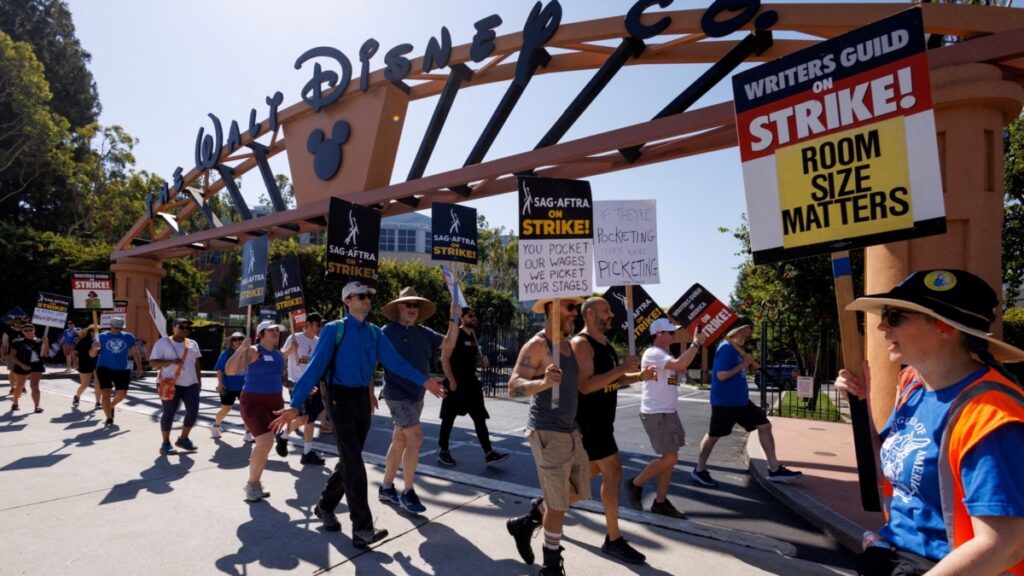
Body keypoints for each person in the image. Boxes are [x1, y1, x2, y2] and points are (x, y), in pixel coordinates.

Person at [835, 269, 1024, 576]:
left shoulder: (991, 416)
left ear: (945, 327)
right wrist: (860, 402)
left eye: (895, 316)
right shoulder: (913, 385)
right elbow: (885, 467)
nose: (882, 326)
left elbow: (1004, 544)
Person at [269, 281, 446, 549]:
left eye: (368, 296)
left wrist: (424, 381)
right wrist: (295, 404)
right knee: (354, 462)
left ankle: (325, 506)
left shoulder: (375, 332)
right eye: (360, 296)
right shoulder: (334, 329)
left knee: (349, 459)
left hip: (362, 399)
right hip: (338, 398)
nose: (366, 300)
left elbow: (396, 363)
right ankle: (362, 528)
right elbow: (315, 367)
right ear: (347, 301)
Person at [569, 297, 656, 565]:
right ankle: (614, 539)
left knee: (583, 483)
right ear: (590, 313)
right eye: (606, 310)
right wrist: (621, 369)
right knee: (614, 472)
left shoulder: (605, 344)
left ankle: (538, 512)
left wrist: (638, 376)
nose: (611, 314)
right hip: (590, 423)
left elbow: (612, 381)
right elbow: (585, 386)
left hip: (604, 421)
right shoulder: (581, 344)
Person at [506, 297, 589, 575]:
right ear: (552, 308)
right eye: (570, 307)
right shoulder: (538, 345)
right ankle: (551, 565)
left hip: (570, 430)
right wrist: (543, 382)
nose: (575, 313)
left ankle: (528, 520)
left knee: (576, 491)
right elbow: (513, 387)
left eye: (576, 307)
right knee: (558, 503)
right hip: (547, 431)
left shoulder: (568, 345)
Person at [692, 316, 802, 487]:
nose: (751, 331)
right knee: (713, 436)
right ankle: (699, 470)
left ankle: (774, 469)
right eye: (750, 327)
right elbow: (721, 375)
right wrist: (745, 364)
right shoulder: (726, 348)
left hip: (741, 401)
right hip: (725, 402)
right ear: (741, 329)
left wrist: (744, 362)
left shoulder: (737, 349)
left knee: (765, 426)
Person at [378, 287, 457, 514]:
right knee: (416, 437)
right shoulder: (387, 332)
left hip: (417, 395)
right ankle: (408, 492)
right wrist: (367, 391)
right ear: (398, 307)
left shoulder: (424, 332)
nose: (412, 308)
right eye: (408, 304)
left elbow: (449, 343)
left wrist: (454, 318)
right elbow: (378, 361)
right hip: (396, 395)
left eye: (415, 305)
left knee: (400, 441)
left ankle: (386, 487)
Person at [626, 317, 705, 520]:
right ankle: (635, 483)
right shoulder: (653, 352)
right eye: (670, 332)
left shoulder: (665, 355)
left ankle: (660, 502)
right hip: (657, 413)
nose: (674, 334)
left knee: (669, 459)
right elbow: (680, 364)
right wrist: (696, 343)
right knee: (670, 458)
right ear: (659, 334)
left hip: (667, 412)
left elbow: (676, 374)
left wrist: (679, 372)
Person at [437, 305, 508, 468]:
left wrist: (482, 361)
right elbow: (444, 359)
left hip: (471, 384)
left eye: (474, 315)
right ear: (461, 318)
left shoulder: (474, 337)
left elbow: (467, 360)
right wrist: (451, 381)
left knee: (480, 418)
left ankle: (489, 453)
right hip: (455, 383)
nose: (473, 318)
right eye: (470, 315)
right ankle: (443, 451)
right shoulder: (455, 334)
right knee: (448, 419)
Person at [227, 320, 287, 502]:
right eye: (271, 330)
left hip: (275, 402)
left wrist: (302, 386)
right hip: (254, 402)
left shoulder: (278, 354)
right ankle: (252, 484)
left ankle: (256, 482)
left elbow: (282, 378)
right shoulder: (253, 350)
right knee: (264, 441)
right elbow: (230, 371)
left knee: (266, 445)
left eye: (277, 330)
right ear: (260, 334)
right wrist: (240, 350)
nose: (276, 333)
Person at [150, 318, 203, 455]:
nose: (185, 329)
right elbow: (153, 363)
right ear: (173, 327)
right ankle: (165, 443)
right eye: (182, 326)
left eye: (188, 327)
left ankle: (183, 439)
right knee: (169, 412)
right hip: (169, 383)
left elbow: (197, 364)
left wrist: (199, 381)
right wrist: (171, 361)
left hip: (191, 383)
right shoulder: (162, 343)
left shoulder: (193, 343)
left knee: (193, 412)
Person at [279, 312, 327, 465]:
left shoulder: (319, 341)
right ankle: (283, 435)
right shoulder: (295, 338)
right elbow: (282, 356)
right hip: (297, 384)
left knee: (310, 419)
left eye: (321, 325)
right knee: (303, 418)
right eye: (318, 324)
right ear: (308, 324)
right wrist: (291, 349)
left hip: (313, 385)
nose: (320, 328)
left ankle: (306, 452)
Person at [93, 317, 143, 428]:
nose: (117, 330)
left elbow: (135, 352)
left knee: (122, 395)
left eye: (120, 328)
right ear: (110, 326)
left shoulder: (129, 336)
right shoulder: (101, 337)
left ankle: (110, 406)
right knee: (106, 393)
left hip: (122, 369)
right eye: (115, 328)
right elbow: (92, 354)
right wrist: (94, 348)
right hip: (104, 367)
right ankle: (109, 418)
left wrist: (139, 367)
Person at [211, 332, 246, 439]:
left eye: (241, 338)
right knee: (226, 409)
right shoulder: (226, 353)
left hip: (244, 387)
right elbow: (220, 370)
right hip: (228, 387)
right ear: (231, 342)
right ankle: (216, 426)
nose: (238, 341)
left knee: (247, 409)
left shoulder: (249, 352)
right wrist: (220, 384)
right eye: (235, 339)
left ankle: (248, 432)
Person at [9, 323, 49, 413]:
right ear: (22, 332)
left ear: (34, 330)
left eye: (30, 330)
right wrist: (22, 365)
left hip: (37, 365)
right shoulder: (18, 342)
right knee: (20, 385)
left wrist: (46, 343)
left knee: (35, 385)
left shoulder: (40, 341)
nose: (28, 332)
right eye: (25, 330)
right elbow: (12, 356)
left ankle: (37, 406)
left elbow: (46, 354)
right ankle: (15, 402)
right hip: (22, 365)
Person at [72, 324, 100, 409]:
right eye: (93, 331)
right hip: (85, 363)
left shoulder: (101, 340)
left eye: (98, 331)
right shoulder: (83, 340)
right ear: (90, 332)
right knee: (85, 384)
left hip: (97, 363)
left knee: (98, 382)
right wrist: (75, 363)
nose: (95, 333)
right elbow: (74, 352)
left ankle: (98, 402)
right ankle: (77, 396)